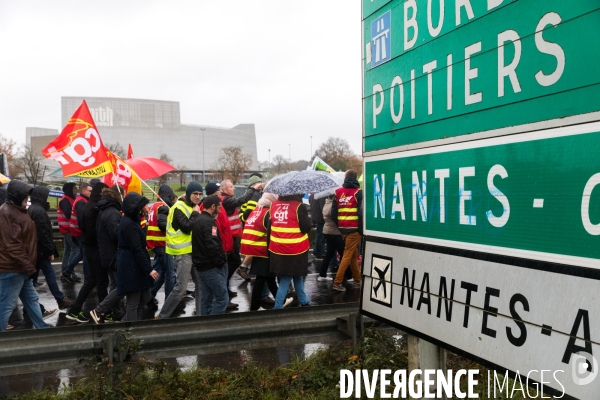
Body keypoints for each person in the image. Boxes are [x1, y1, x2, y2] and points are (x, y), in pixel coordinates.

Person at [0, 180, 50, 332]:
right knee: (6, 305)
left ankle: (43, 328)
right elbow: (12, 245)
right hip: (13, 268)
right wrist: (29, 266)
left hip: (21, 267)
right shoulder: (8, 213)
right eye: (25, 196)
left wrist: (28, 266)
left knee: (31, 299)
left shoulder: (16, 210)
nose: (27, 199)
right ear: (17, 196)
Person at [73, 185, 123, 324]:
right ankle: (100, 310)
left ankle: (110, 311)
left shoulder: (96, 207)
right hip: (99, 250)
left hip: (96, 249)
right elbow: (111, 234)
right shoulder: (97, 209)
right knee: (102, 282)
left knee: (102, 282)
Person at [157, 182, 203, 319]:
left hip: (193, 252)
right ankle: (162, 317)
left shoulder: (193, 206)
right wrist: (195, 214)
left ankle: (200, 317)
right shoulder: (179, 207)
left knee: (201, 285)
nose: (198, 197)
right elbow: (187, 227)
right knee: (181, 288)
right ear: (189, 194)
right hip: (182, 252)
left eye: (200, 194)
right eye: (195, 194)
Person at [65, 182, 109, 319]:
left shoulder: (89, 205)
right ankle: (103, 312)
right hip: (94, 248)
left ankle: (75, 309)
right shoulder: (93, 209)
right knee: (101, 281)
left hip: (89, 246)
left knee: (91, 281)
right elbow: (93, 231)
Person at [241, 192, 292, 311]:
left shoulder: (256, 211)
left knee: (268, 278)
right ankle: (254, 307)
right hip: (264, 249)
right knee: (261, 279)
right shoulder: (268, 213)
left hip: (255, 248)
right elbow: (272, 233)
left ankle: (281, 301)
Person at [27, 186, 73, 309]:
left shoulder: (33, 208)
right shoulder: (39, 211)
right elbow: (43, 233)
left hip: (35, 250)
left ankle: (29, 306)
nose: (47, 197)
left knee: (31, 279)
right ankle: (60, 300)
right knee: (49, 275)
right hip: (40, 251)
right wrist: (49, 251)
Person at [117, 193, 159, 321]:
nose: (145, 207)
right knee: (133, 302)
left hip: (134, 264)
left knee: (145, 297)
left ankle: (128, 324)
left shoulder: (132, 221)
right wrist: (149, 269)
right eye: (143, 205)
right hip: (131, 265)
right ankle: (129, 330)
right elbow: (137, 250)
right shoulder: (129, 224)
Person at [219, 179, 262, 304]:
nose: (233, 188)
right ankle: (224, 291)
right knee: (234, 262)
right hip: (229, 237)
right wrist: (253, 189)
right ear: (224, 189)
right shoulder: (226, 200)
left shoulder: (225, 199)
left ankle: (225, 288)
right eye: (231, 186)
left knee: (230, 263)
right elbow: (241, 200)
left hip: (231, 236)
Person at [269, 194, 312, 309]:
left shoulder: (274, 205)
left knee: (297, 275)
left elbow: (270, 226)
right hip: (296, 248)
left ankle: (303, 301)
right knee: (286, 279)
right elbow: (306, 227)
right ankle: (277, 306)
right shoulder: (299, 206)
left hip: (277, 247)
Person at [193, 195, 229, 315]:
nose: (220, 210)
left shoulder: (198, 220)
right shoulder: (209, 223)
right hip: (210, 267)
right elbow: (213, 246)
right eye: (219, 207)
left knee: (206, 300)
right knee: (222, 298)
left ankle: (205, 327)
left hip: (201, 266)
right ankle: (214, 326)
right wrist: (220, 262)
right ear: (213, 206)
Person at [331, 170, 363, 292]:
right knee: (347, 255)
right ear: (355, 178)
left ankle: (357, 279)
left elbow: (333, 213)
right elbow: (361, 213)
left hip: (343, 229)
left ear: (345, 178)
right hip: (354, 229)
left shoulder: (338, 192)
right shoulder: (358, 193)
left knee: (353, 255)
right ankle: (337, 282)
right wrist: (360, 230)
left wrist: (340, 226)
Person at [147, 184, 176, 307]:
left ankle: (149, 296)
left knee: (160, 272)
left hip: (155, 244)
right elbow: (162, 224)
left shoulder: (153, 206)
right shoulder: (164, 207)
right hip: (163, 244)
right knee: (170, 273)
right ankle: (170, 302)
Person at [236, 174, 263, 280]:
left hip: (247, 224)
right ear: (254, 184)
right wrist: (245, 220)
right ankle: (242, 268)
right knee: (255, 247)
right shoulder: (255, 195)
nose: (261, 184)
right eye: (259, 183)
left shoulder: (253, 194)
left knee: (253, 248)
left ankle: (245, 268)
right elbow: (249, 212)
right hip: (250, 225)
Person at [66, 183, 92, 281]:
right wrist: (86, 232)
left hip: (77, 231)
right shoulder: (81, 202)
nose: (91, 193)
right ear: (84, 191)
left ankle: (67, 271)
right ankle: (87, 278)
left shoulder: (82, 200)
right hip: (79, 232)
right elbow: (82, 219)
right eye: (90, 191)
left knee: (81, 253)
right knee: (85, 254)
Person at [318, 195, 345, 281]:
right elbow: (335, 217)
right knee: (343, 254)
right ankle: (348, 275)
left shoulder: (326, 204)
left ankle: (322, 274)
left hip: (327, 231)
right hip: (335, 232)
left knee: (329, 254)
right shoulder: (332, 205)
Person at [58, 182, 80, 282]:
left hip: (66, 228)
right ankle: (69, 271)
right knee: (75, 249)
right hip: (68, 229)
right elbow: (68, 214)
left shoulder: (69, 199)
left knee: (67, 251)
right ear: (69, 189)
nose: (76, 190)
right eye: (74, 188)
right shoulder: (66, 200)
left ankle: (64, 271)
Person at [308, 193, 327, 259]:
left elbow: (310, 201)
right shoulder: (322, 194)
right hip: (321, 218)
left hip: (316, 216)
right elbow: (323, 208)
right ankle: (318, 253)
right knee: (320, 236)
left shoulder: (314, 193)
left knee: (319, 235)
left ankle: (316, 251)